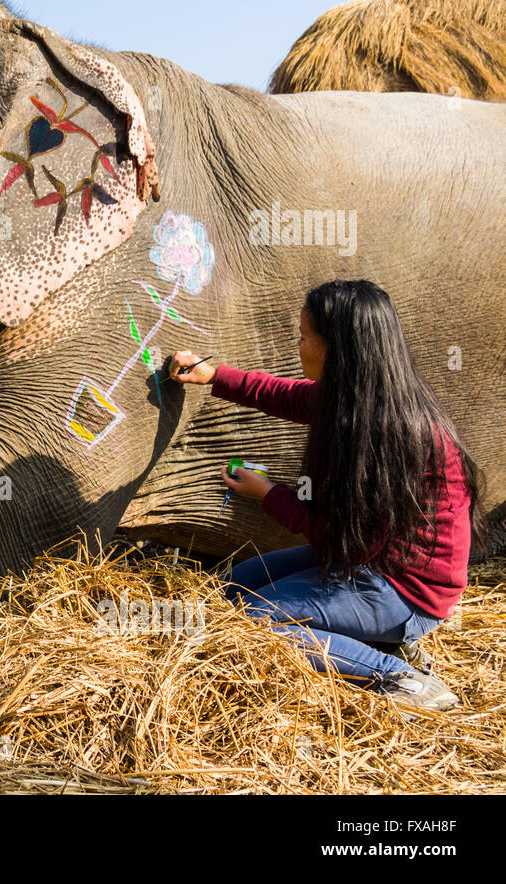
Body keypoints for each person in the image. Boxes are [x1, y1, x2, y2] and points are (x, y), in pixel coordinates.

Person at [169, 279, 481, 711]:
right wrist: (213, 376)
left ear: (338, 348)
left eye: (303, 337)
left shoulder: (388, 434)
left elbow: (341, 542)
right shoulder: (358, 397)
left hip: (408, 592)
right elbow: (284, 396)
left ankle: (400, 676)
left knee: (254, 621)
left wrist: (270, 495)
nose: (297, 346)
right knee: (236, 587)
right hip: (374, 562)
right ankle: (371, 639)